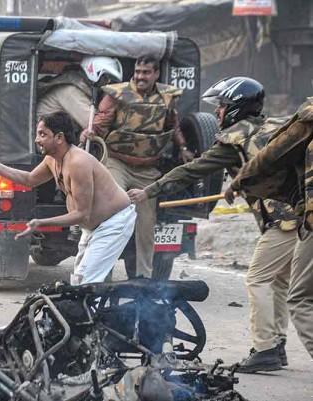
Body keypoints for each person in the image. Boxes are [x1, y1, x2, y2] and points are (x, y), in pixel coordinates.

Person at [127, 77, 299, 373]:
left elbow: (192, 170)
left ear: (235, 108)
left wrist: (149, 190)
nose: (217, 113)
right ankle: (277, 343)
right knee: (277, 281)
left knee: (257, 278)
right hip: (298, 213)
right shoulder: (271, 127)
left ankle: (265, 348)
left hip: (284, 220)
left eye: (221, 107)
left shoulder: (234, 140)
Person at [0, 111, 136, 284]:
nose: (36, 140)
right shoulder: (51, 159)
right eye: (37, 134)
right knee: (80, 281)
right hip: (92, 228)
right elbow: (29, 180)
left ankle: (101, 310)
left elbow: (82, 214)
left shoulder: (78, 163)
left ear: (59, 138)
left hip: (114, 223)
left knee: (86, 282)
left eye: (42, 134)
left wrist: (41, 223)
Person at [83, 55, 194, 279]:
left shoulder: (166, 97)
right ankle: (102, 275)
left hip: (148, 169)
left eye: (146, 72)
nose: (140, 76)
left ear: (156, 74)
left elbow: (173, 126)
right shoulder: (116, 94)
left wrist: (183, 148)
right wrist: (91, 132)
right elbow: (101, 122)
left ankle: (144, 277)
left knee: (146, 223)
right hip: (117, 163)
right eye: (137, 71)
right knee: (111, 215)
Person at [227, 97, 313, 359]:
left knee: (297, 298)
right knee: (282, 283)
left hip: (298, 222)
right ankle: (274, 344)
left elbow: (272, 154)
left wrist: (239, 181)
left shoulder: (308, 117)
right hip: (299, 220)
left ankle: (267, 347)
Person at [37, 56, 123, 133]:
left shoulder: (79, 87)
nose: (107, 84)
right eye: (106, 79)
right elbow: (94, 126)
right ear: (94, 74)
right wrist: (109, 102)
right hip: (46, 143)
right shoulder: (70, 91)